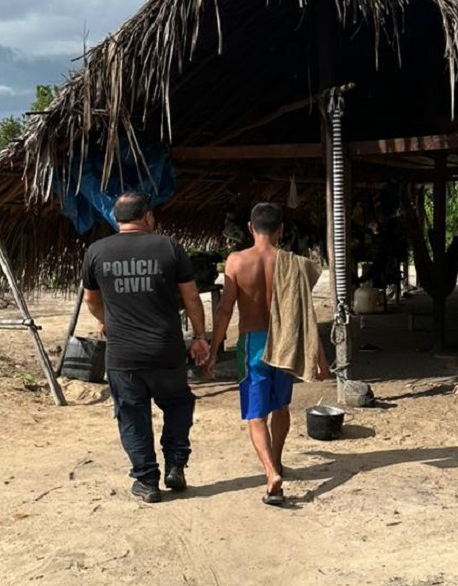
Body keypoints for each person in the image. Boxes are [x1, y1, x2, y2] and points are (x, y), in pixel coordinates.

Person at [82, 191, 210, 503]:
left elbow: (91, 299)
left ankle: (147, 481)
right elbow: (192, 297)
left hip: (123, 355)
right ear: (148, 216)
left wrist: (106, 321)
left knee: (132, 415)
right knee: (178, 403)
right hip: (166, 350)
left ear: (116, 219)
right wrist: (199, 337)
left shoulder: (97, 251)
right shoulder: (169, 247)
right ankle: (175, 464)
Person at [203, 202, 328, 506]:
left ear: (250, 228)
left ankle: (271, 473)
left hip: (253, 344)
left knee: (256, 415)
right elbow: (305, 314)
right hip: (285, 342)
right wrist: (320, 357)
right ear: (280, 230)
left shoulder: (236, 261)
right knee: (281, 407)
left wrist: (213, 351)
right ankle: (278, 461)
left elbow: (224, 310)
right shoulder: (293, 263)